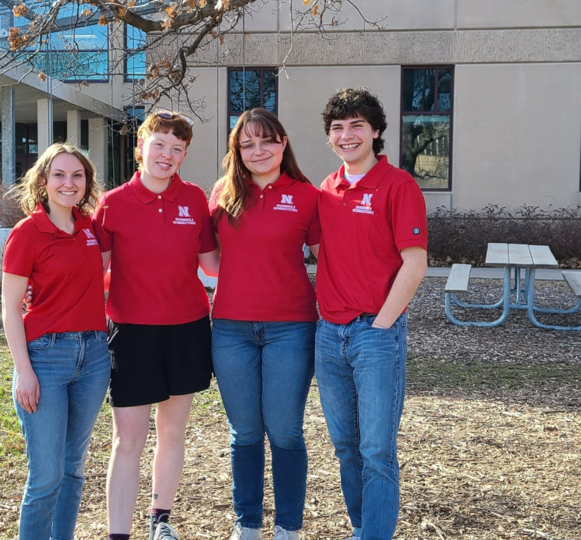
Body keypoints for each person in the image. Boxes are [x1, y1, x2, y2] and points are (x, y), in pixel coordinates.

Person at [93, 109, 220, 540]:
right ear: (141, 146)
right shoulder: (112, 204)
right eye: (159, 144)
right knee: (127, 440)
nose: (167, 155)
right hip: (132, 334)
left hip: (186, 330)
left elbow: (214, 266)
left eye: (177, 149)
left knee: (171, 431)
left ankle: (160, 519)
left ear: (184, 155)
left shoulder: (195, 200)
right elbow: (89, 268)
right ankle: (118, 534)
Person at [313, 88, 428, 540]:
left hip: (374, 334)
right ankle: (364, 528)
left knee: (377, 449)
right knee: (345, 447)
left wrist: (381, 324)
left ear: (376, 131)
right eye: (338, 128)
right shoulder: (326, 189)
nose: (347, 135)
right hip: (328, 334)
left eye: (357, 125)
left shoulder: (399, 185)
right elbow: (323, 250)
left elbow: (415, 262)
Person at [209, 108, 320, 540]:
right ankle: (248, 524)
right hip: (231, 329)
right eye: (247, 143)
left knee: (285, 429)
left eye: (267, 140)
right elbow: (200, 255)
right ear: (237, 150)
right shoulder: (222, 193)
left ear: (283, 142)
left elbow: (332, 260)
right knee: (245, 432)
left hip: (291, 328)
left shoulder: (307, 196)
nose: (258, 150)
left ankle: (288, 527)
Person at [1, 143, 111, 540]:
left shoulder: (90, 227)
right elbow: (11, 309)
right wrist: (23, 372)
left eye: (77, 176)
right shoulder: (27, 233)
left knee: (72, 467)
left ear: (87, 183)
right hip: (45, 359)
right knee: (46, 475)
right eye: (60, 175)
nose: (69, 183)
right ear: (43, 181)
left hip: (95, 357)